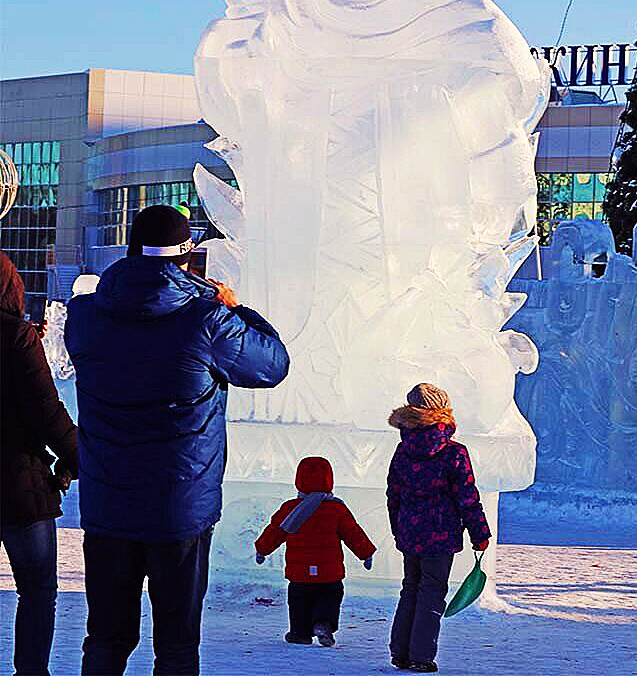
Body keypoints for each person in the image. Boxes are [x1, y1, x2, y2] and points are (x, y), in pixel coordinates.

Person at [65, 205, 290, 676]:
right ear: (188, 256)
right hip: (179, 509)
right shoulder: (206, 319)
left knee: (105, 638)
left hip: (108, 505)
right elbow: (272, 367)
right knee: (176, 645)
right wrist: (236, 308)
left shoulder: (85, 316)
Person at [1, 250, 78, 676]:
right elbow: (48, 412)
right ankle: (30, 670)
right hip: (18, 486)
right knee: (36, 589)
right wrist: (79, 459)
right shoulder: (16, 337)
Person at [386, 383, 490, 673]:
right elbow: (467, 496)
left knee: (410, 589)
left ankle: (400, 652)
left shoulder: (402, 449)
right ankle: (421, 656)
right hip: (441, 535)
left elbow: (393, 492)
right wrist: (479, 533)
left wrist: (398, 528)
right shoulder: (454, 452)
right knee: (431, 591)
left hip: (410, 532)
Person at [253, 456, 376, 647]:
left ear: (298, 479)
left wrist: (262, 549)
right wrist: (366, 553)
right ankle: (323, 623)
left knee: (299, 601)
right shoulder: (337, 509)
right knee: (330, 597)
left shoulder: (290, 509)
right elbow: (353, 534)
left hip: (299, 574)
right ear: (329, 479)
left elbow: (274, 531)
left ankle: (300, 633)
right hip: (330, 573)